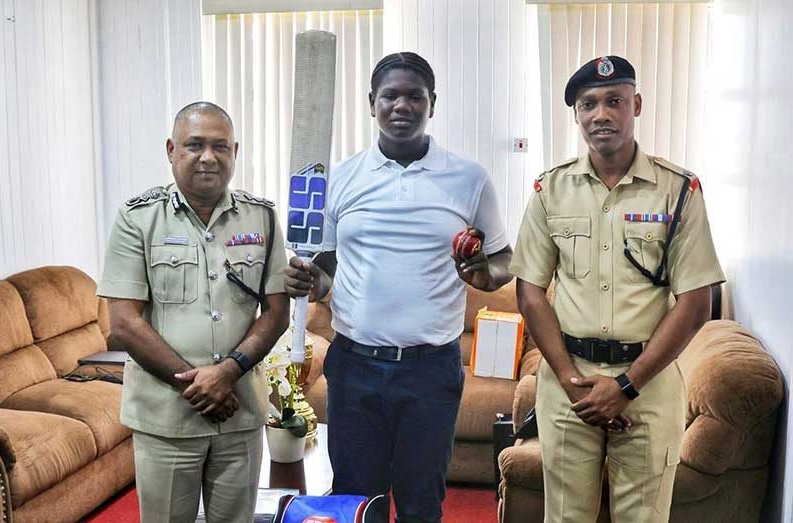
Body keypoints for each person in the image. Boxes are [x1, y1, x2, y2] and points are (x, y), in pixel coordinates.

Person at [284, 52, 513, 523]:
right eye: (391, 95)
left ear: (432, 104)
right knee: (355, 499)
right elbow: (326, 271)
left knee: (420, 503)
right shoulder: (341, 178)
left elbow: (504, 259)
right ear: (372, 103)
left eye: (415, 96)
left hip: (430, 372)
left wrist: (484, 275)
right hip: (354, 367)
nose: (402, 105)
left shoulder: (468, 178)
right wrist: (311, 280)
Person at [510, 55, 725, 522]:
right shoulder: (551, 190)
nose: (600, 114)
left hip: (649, 384)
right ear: (577, 114)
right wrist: (570, 381)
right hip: (569, 384)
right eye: (588, 104)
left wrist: (626, 386)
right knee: (565, 517)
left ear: (637, 105)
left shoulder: (678, 191)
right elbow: (529, 292)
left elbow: (695, 303)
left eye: (614, 101)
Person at [97, 101, 289, 523]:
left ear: (235, 151)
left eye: (220, 146)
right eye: (195, 145)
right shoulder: (137, 219)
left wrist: (226, 375)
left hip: (238, 413)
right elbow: (124, 323)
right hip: (166, 419)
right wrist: (197, 386)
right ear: (171, 150)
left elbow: (277, 313)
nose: (208, 157)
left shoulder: (263, 217)